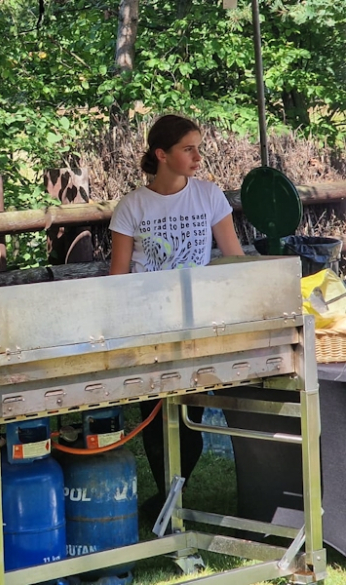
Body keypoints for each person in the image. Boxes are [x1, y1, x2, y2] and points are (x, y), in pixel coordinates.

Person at [108, 114, 244, 513]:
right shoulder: (132, 206)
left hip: (197, 322)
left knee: (189, 414)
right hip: (147, 324)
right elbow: (118, 277)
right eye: (188, 149)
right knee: (154, 414)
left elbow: (234, 258)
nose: (198, 157)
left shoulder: (209, 195)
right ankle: (168, 497)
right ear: (162, 154)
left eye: (198, 148)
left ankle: (172, 496)